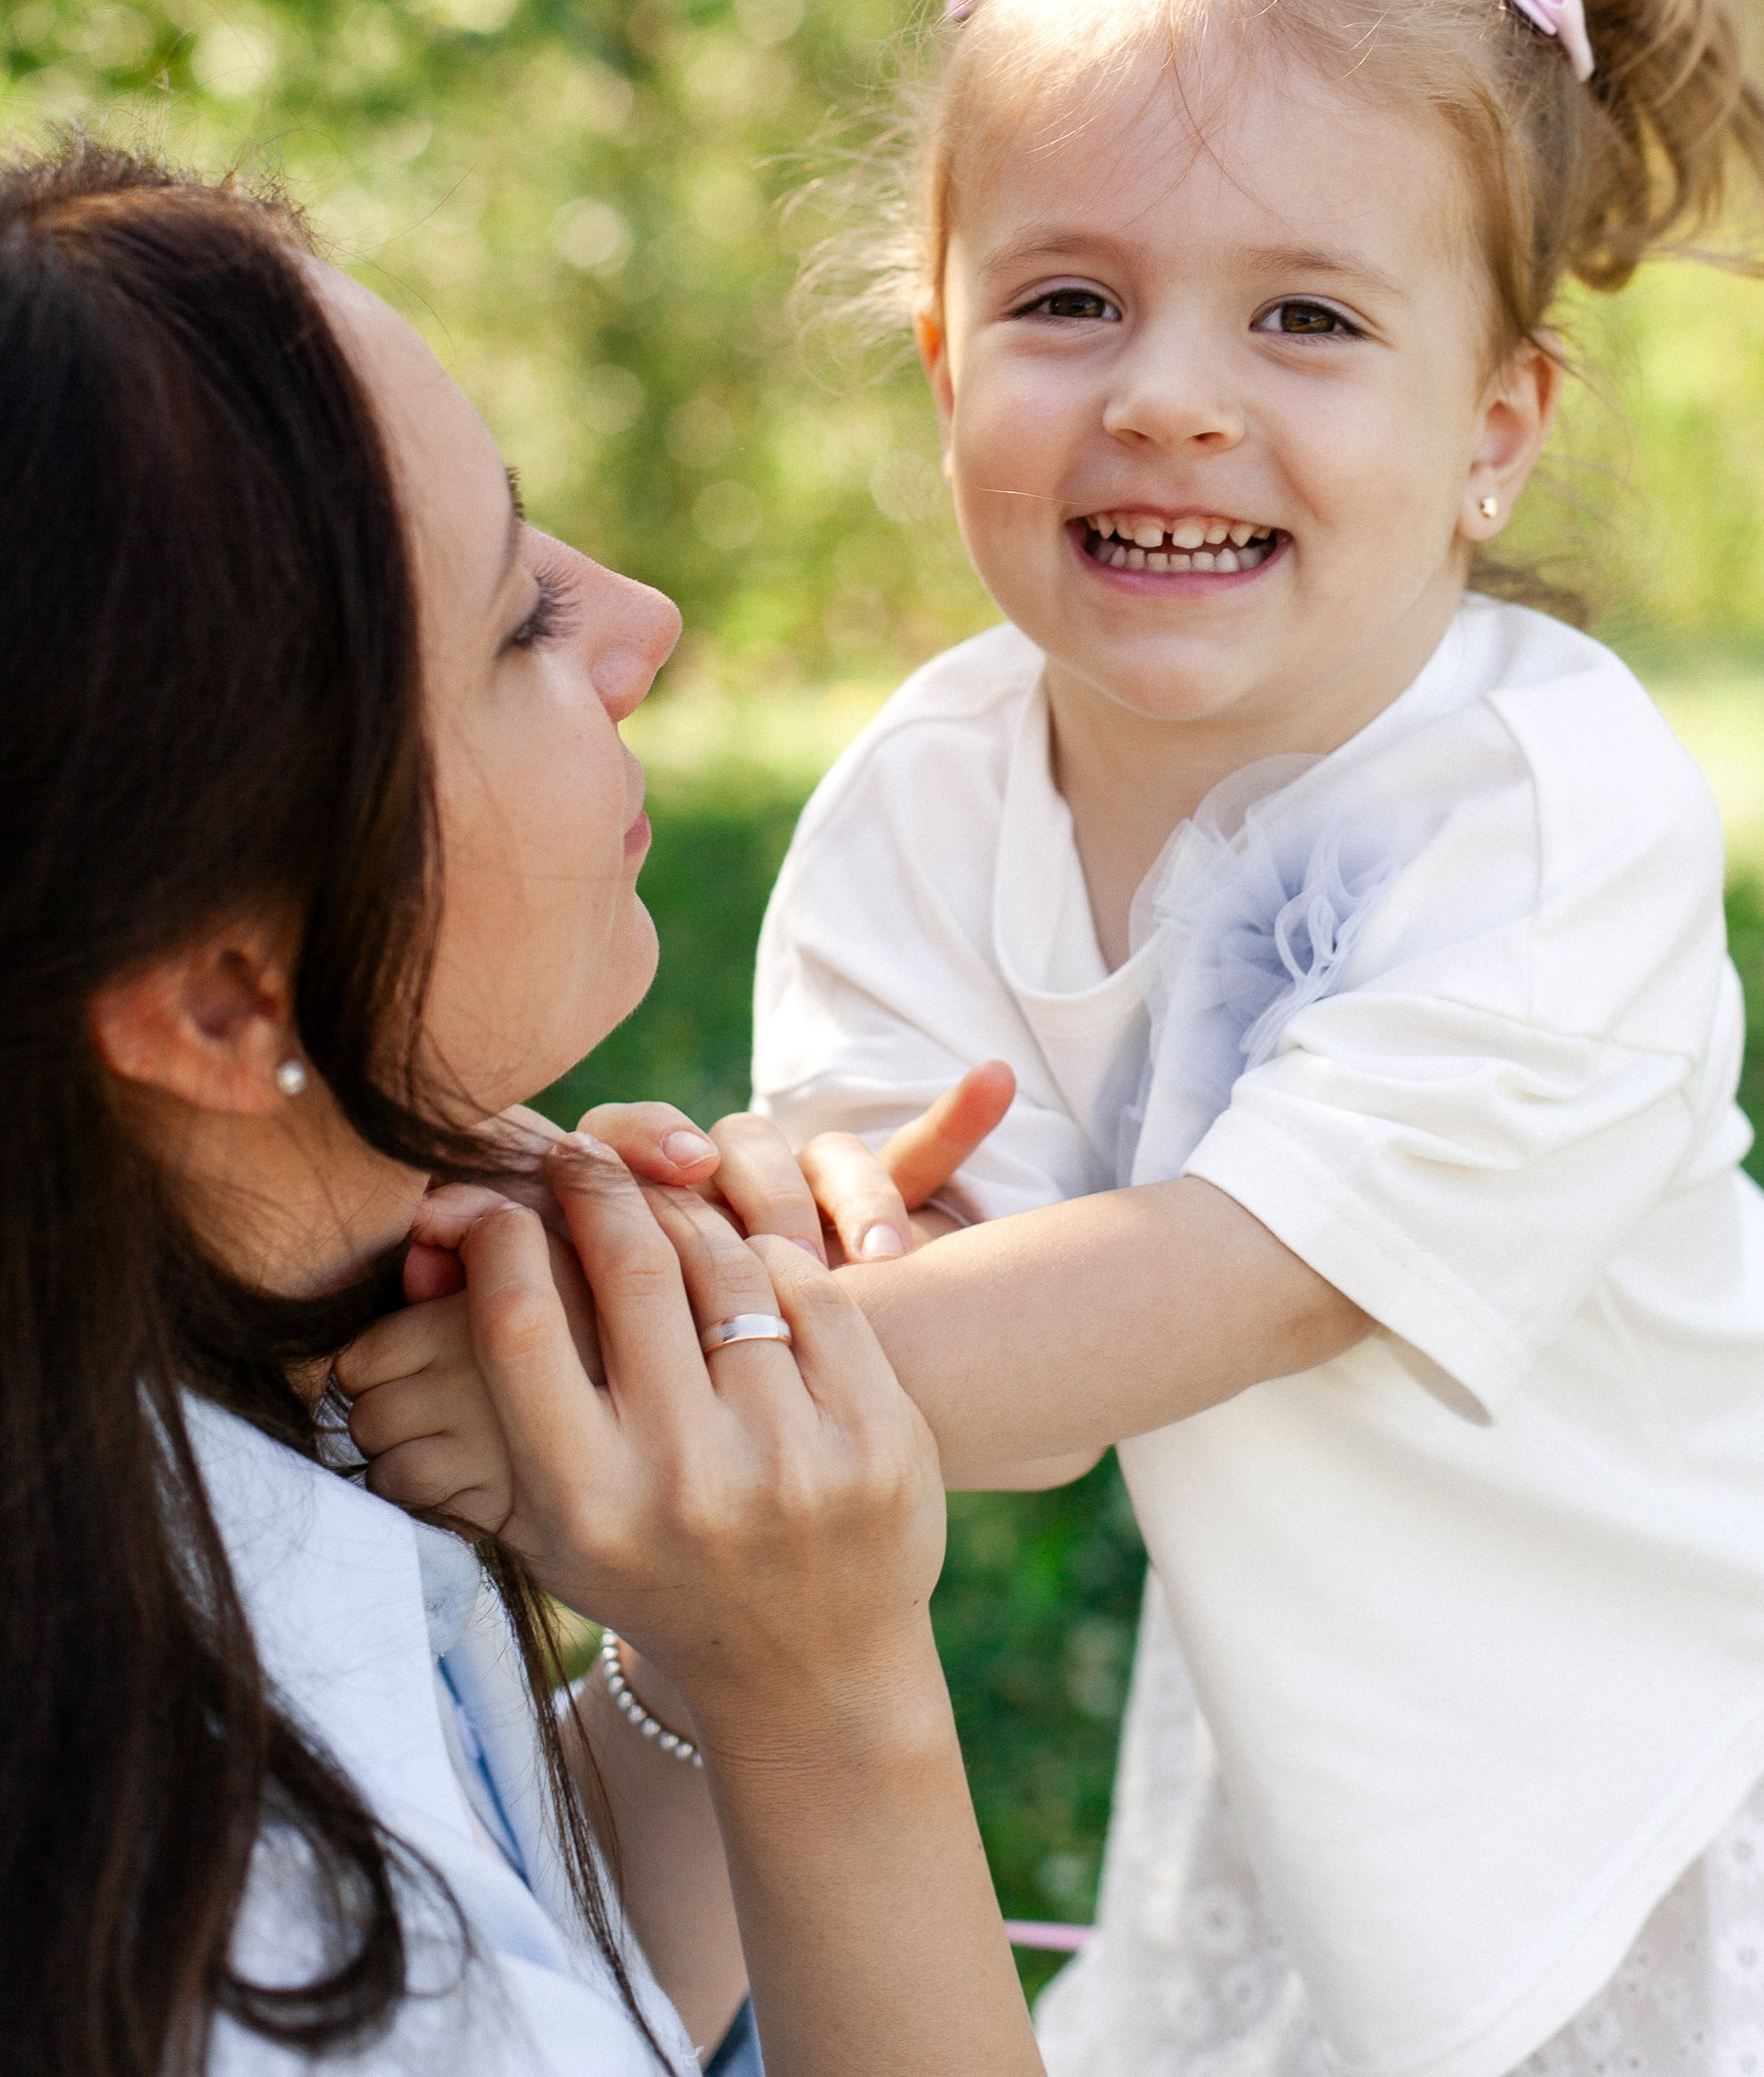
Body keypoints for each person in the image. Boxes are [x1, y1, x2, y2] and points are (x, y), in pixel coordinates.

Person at [346, 0, 1764, 2076]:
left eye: (1304, 315)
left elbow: (1207, 1283)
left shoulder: (1539, 813)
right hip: (1325, 1723)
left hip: (1689, 1737)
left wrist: (601, 1392)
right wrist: (711, 1245)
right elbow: (903, 1217)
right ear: (941, 352)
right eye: (1069, 299)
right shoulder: (936, 781)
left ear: (1493, 428)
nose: (1171, 393)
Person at [0, 138, 1044, 2077]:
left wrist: (708, 1631)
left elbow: (534, 1979)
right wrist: (836, 1693)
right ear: (229, 997)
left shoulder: (160, 1446)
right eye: (515, 628)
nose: (639, 620)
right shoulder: (178, 1921)